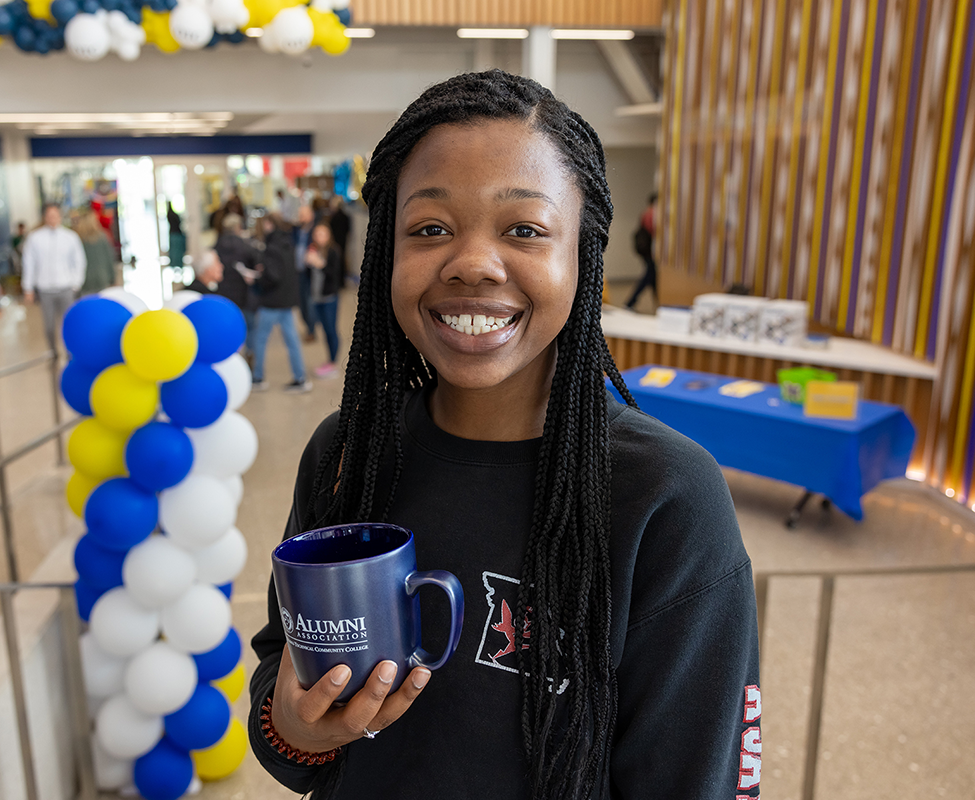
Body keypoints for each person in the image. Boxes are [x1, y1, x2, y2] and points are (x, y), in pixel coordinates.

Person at [248, 71, 760, 799]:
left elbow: (697, 778)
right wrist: (295, 727)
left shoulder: (663, 495)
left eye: (524, 229)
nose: (474, 263)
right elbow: (284, 681)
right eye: (429, 229)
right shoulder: (346, 454)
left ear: (583, 254)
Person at [252, 215, 311, 393]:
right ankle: (301, 378)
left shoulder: (271, 248)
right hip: (287, 300)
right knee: (292, 340)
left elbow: (273, 276)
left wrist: (258, 277)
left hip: (272, 301)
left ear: (269, 224)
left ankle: (258, 378)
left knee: (260, 339)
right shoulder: (288, 243)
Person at [22, 203, 86, 354]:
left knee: (68, 323)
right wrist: (28, 287)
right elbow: (28, 263)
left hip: (66, 287)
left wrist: (76, 283)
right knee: (49, 325)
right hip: (45, 288)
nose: (52, 219)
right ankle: (53, 351)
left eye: (55, 215)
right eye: (49, 216)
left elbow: (79, 261)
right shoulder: (35, 238)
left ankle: (70, 352)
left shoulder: (70, 237)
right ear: (45, 217)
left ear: (60, 216)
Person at [214, 213, 261, 356]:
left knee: (228, 327)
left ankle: (232, 354)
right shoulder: (245, 247)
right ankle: (251, 352)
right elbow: (258, 265)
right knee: (250, 326)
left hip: (224, 294)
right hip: (245, 294)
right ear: (238, 227)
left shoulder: (216, 247)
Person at [304, 222, 343, 379]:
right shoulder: (313, 249)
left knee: (331, 330)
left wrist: (319, 264)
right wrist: (308, 263)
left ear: (328, 236)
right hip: (316, 296)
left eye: (322, 234)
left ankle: (333, 362)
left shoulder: (333, 251)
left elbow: (335, 275)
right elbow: (308, 275)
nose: (318, 237)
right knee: (325, 330)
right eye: (316, 233)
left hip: (329, 297)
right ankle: (329, 360)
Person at [625, 193, 658, 311]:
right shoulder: (651, 213)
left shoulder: (647, 212)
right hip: (649, 251)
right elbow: (653, 231)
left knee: (653, 277)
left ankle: (659, 304)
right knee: (649, 276)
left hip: (648, 250)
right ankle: (630, 302)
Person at [292, 204, 318, 342]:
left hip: (309, 273)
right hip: (297, 272)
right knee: (301, 302)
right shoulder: (296, 230)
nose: (301, 217)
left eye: (304, 214)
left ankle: (311, 330)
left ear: (311, 215)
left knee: (309, 302)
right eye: (300, 215)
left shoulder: (315, 231)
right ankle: (309, 326)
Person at [75, 213, 116, 295]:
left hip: (85, 280)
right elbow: (109, 258)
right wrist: (113, 277)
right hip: (102, 278)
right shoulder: (102, 237)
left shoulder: (78, 239)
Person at [328, 196, 353, 282]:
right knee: (341, 259)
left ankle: (337, 280)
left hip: (335, 240)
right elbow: (348, 229)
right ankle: (341, 280)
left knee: (336, 260)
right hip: (343, 240)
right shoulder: (345, 216)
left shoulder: (334, 217)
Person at [167, 205, 187, 271]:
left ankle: (177, 267)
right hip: (175, 235)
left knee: (177, 254)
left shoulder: (171, 214)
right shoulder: (171, 215)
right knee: (176, 254)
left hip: (175, 234)